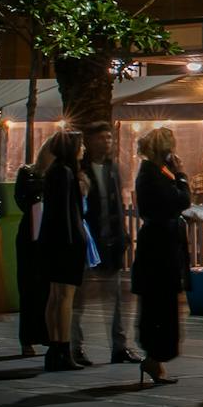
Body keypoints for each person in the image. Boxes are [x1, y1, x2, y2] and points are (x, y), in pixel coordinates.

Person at [131, 127, 190, 387]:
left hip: (163, 245)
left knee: (164, 302)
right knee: (160, 303)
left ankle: (156, 358)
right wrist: (181, 176)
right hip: (159, 249)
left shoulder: (154, 174)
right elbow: (181, 200)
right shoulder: (152, 176)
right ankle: (155, 356)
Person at [77, 122, 138, 365]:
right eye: (102, 138)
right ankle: (76, 346)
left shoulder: (112, 168)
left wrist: (122, 235)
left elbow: (117, 206)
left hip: (111, 240)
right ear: (89, 142)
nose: (107, 142)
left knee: (116, 297)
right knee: (79, 297)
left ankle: (120, 346)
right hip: (89, 239)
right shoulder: (80, 169)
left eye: (109, 138)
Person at [37, 131, 90, 372]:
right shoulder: (66, 174)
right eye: (81, 146)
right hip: (66, 243)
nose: (84, 150)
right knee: (65, 297)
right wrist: (73, 243)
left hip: (52, 241)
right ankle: (63, 347)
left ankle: (55, 347)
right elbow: (69, 214)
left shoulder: (54, 172)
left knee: (54, 296)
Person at [14, 136, 59, 358]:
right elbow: (22, 199)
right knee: (29, 288)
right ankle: (27, 339)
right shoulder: (28, 172)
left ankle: (49, 334)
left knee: (49, 290)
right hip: (31, 236)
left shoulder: (61, 174)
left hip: (50, 236)